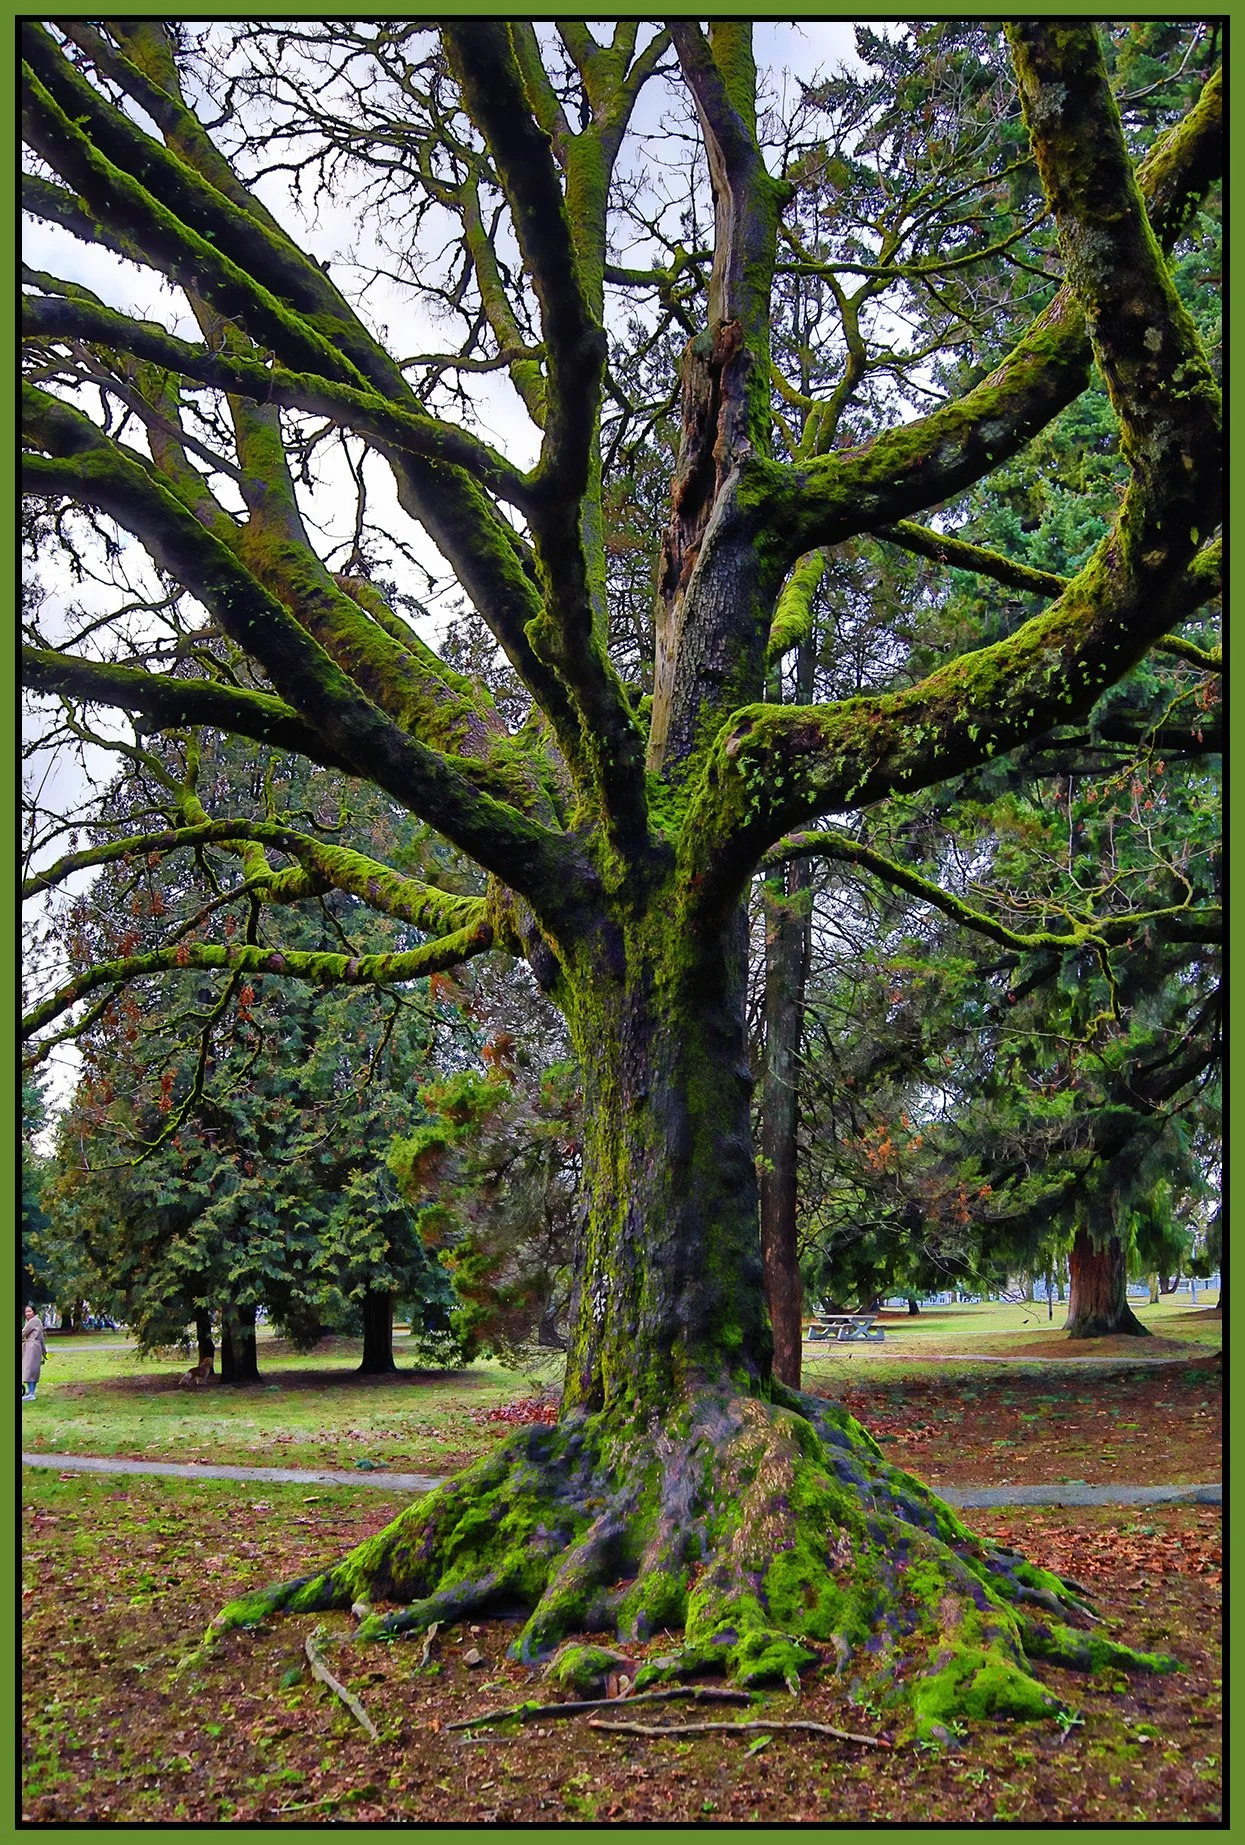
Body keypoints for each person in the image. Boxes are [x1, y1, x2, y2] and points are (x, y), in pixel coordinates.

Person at [21, 1306, 47, 1403]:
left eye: (29, 1311)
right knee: (33, 1369)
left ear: (34, 1312)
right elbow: (41, 1337)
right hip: (35, 1346)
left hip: (31, 1346)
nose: (27, 1313)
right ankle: (31, 1392)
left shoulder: (34, 1321)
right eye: (26, 1312)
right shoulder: (36, 1321)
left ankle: (31, 1394)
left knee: (29, 1369)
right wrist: (44, 1350)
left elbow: (24, 1332)